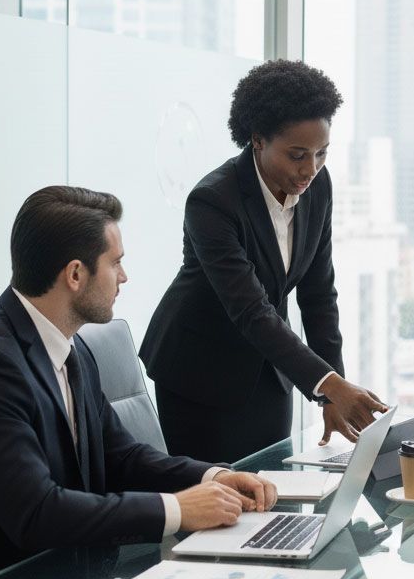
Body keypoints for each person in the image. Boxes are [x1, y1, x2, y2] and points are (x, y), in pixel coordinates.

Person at [0, 187, 278, 579]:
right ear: (75, 274)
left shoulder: (73, 347)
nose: (124, 277)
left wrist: (210, 477)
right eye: (116, 263)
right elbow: (36, 513)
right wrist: (176, 510)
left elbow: (120, 455)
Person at [140, 59, 387, 463]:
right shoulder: (213, 202)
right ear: (257, 140)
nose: (310, 169)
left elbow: (319, 295)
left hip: (271, 371)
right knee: (216, 507)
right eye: (296, 155)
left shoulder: (318, 187)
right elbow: (250, 309)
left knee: (274, 494)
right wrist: (329, 384)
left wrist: (331, 391)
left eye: (321, 153)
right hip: (200, 375)